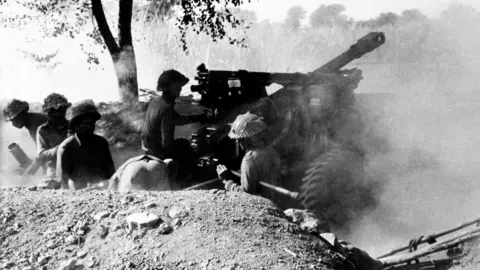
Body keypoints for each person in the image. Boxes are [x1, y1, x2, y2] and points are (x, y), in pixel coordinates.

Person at [141, 69, 205, 178]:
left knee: (182, 144)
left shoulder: (156, 101)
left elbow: (176, 119)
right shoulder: (167, 109)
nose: (180, 91)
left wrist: (197, 118)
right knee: (187, 149)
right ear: (174, 89)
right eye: (179, 88)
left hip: (147, 146)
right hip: (158, 150)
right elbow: (167, 142)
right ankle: (185, 179)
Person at [215, 112, 282, 202]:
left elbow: (247, 196)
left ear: (247, 139)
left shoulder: (249, 160)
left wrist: (227, 181)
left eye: (239, 139)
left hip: (263, 206)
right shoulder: (271, 151)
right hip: (276, 202)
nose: (238, 143)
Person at [56, 99, 115, 190]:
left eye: (92, 123)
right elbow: (63, 184)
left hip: (103, 192)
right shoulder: (66, 148)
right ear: (76, 125)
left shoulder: (102, 143)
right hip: (77, 194)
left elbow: (111, 175)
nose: (90, 127)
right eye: (85, 124)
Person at [35, 93, 71, 189]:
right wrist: (61, 148)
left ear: (65, 111)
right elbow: (41, 155)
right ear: (48, 113)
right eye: (53, 112)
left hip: (74, 169)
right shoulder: (42, 130)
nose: (57, 114)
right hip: (53, 171)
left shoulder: (73, 127)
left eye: (60, 111)